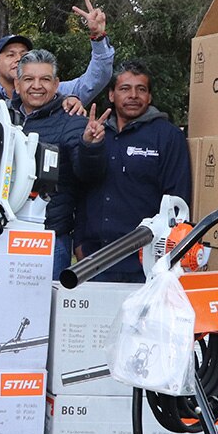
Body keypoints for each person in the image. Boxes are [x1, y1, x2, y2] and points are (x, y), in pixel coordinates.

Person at [70, 61, 191, 283]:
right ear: (111, 95)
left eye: (141, 89)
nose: (133, 95)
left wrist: (166, 258)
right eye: (125, 88)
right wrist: (80, 243)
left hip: (145, 264)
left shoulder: (168, 136)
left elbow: (178, 203)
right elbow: (81, 189)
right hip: (94, 260)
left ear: (150, 97)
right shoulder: (95, 133)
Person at [9, 50, 93, 279]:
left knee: (42, 312)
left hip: (49, 239)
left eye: (45, 79)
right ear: (17, 84)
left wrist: (90, 145)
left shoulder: (72, 120)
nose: (37, 86)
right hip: (0, 234)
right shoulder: (0, 115)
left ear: (56, 85)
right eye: (29, 79)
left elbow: (88, 173)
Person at [0, 0, 116, 105]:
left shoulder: (51, 91)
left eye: (24, 54)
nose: (18, 59)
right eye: (10, 55)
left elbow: (95, 80)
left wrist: (98, 36)